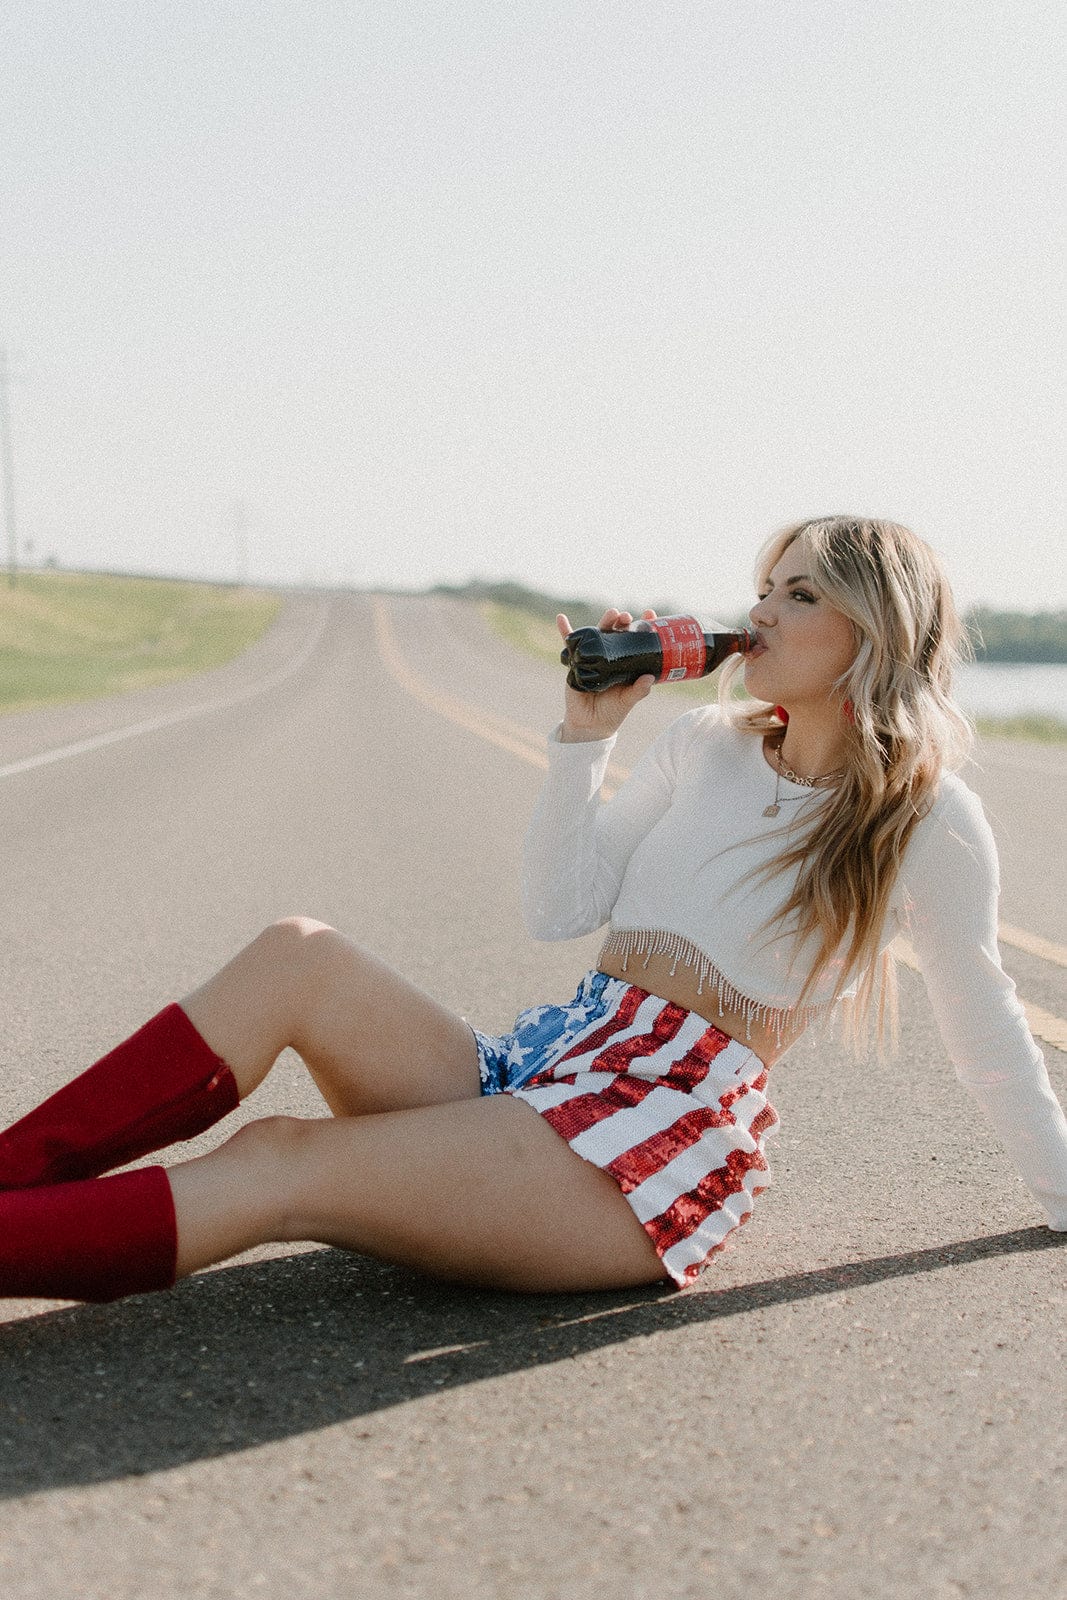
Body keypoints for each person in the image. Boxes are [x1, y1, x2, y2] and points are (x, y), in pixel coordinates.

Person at [2, 515, 1066, 1304]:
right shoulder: (707, 745)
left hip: (646, 1148)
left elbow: (984, 1019)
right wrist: (584, 736)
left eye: (798, 595)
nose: (758, 613)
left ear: (874, 628)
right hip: (547, 1074)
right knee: (299, 954)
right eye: (762, 586)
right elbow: (559, 906)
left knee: (280, 1159)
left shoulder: (922, 815)